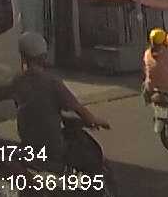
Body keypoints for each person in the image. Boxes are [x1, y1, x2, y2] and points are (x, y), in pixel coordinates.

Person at [13, 32, 109, 172]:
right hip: (53, 147)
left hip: (28, 144)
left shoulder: (17, 81)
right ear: (44, 56)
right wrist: (94, 120)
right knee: (89, 158)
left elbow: (34, 108)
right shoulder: (52, 82)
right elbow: (78, 108)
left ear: (22, 56)